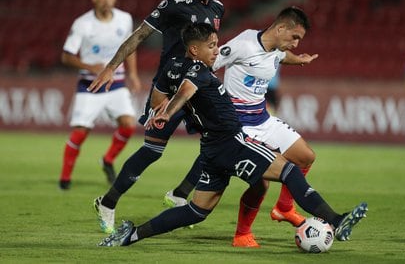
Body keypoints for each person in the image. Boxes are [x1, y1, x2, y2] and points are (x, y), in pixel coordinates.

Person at [97, 22, 368, 247]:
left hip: (211, 149)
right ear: (194, 49)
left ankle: (133, 235)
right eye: (211, 46)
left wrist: (161, 110)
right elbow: (187, 90)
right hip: (233, 142)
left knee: (196, 210)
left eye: (216, 45)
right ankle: (335, 219)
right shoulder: (198, 72)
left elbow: (159, 94)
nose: (217, 51)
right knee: (290, 171)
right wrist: (170, 112)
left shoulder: (172, 67)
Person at [87, 0, 223, 234]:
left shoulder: (218, 8)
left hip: (200, 86)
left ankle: (179, 194)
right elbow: (139, 35)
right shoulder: (174, 4)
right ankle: (108, 203)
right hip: (170, 87)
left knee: (221, 140)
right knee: (152, 151)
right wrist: (112, 66)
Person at [165, 7, 319, 247]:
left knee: (306, 157)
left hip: (263, 119)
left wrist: (299, 61)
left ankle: (283, 209)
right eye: (294, 37)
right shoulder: (244, 44)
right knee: (262, 182)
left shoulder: (276, 49)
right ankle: (242, 234)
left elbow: (280, 57)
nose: (296, 44)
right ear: (280, 29)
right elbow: (209, 62)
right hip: (238, 126)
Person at [58, 0, 141, 190]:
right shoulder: (82, 24)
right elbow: (66, 57)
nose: (107, 0)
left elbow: (130, 48)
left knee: (129, 124)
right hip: (90, 84)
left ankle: (108, 160)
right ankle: (65, 178)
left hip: (116, 83)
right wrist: (90, 66)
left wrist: (133, 74)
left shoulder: (124, 19)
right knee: (80, 132)